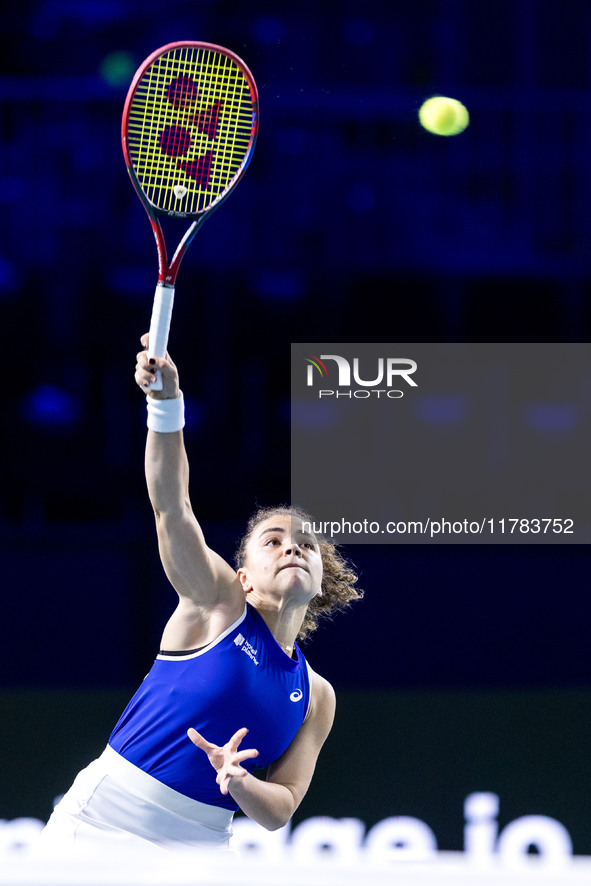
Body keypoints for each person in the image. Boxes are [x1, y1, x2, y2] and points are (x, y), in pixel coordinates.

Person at [36, 335, 362, 856]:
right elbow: (172, 505)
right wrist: (167, 405)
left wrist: (239, 782)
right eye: (272, 541)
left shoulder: (317, 696)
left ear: (321, 580)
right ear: (243, 576)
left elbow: (281, 807)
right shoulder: (217, 605)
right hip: (103, 822)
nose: (292, 549)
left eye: (306, 545)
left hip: (201, 844)